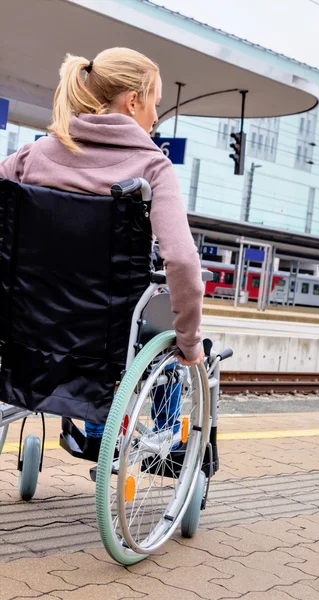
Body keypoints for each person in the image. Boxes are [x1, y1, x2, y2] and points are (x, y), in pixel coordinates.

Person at [0, 47, 204, 459]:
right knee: (164, 337)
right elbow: (181, 262)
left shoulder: (33, 155)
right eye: (155, 104)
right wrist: (189, 342)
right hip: (107, 340)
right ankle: (158, 438)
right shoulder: (152, 168)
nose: (156, 117)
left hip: (27, 329)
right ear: (133, 101)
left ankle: (92, 429)